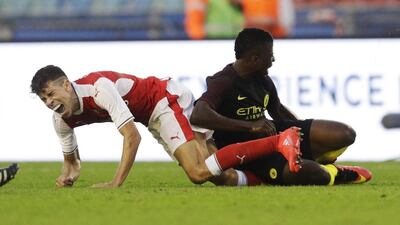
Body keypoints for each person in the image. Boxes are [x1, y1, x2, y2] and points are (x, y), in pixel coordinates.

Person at [31, 65, 302, 188]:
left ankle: (279, 141)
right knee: (221, 176)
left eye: (51, 93)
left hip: (165, 99)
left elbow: (131, 137)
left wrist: (116, 183)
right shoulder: (61, 118)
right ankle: (276, 174)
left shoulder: (98, 88)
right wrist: (68, 176)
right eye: (44, 99)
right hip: (153, 116)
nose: (49, 102)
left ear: (66, 84)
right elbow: (72, 163)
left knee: (197, 173)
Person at [190, 28, 372, 186]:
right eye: (270, 55)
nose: (273, 59)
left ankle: (314, 159)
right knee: (315, 174)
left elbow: (277, 111)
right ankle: (335, 173)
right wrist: (249, 126)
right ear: (255, 58)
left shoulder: (263, 80)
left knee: (345, 134)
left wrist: (302, 135)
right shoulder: (223, 81)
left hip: (274, 135)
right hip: (248, 152)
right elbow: (198, 115)